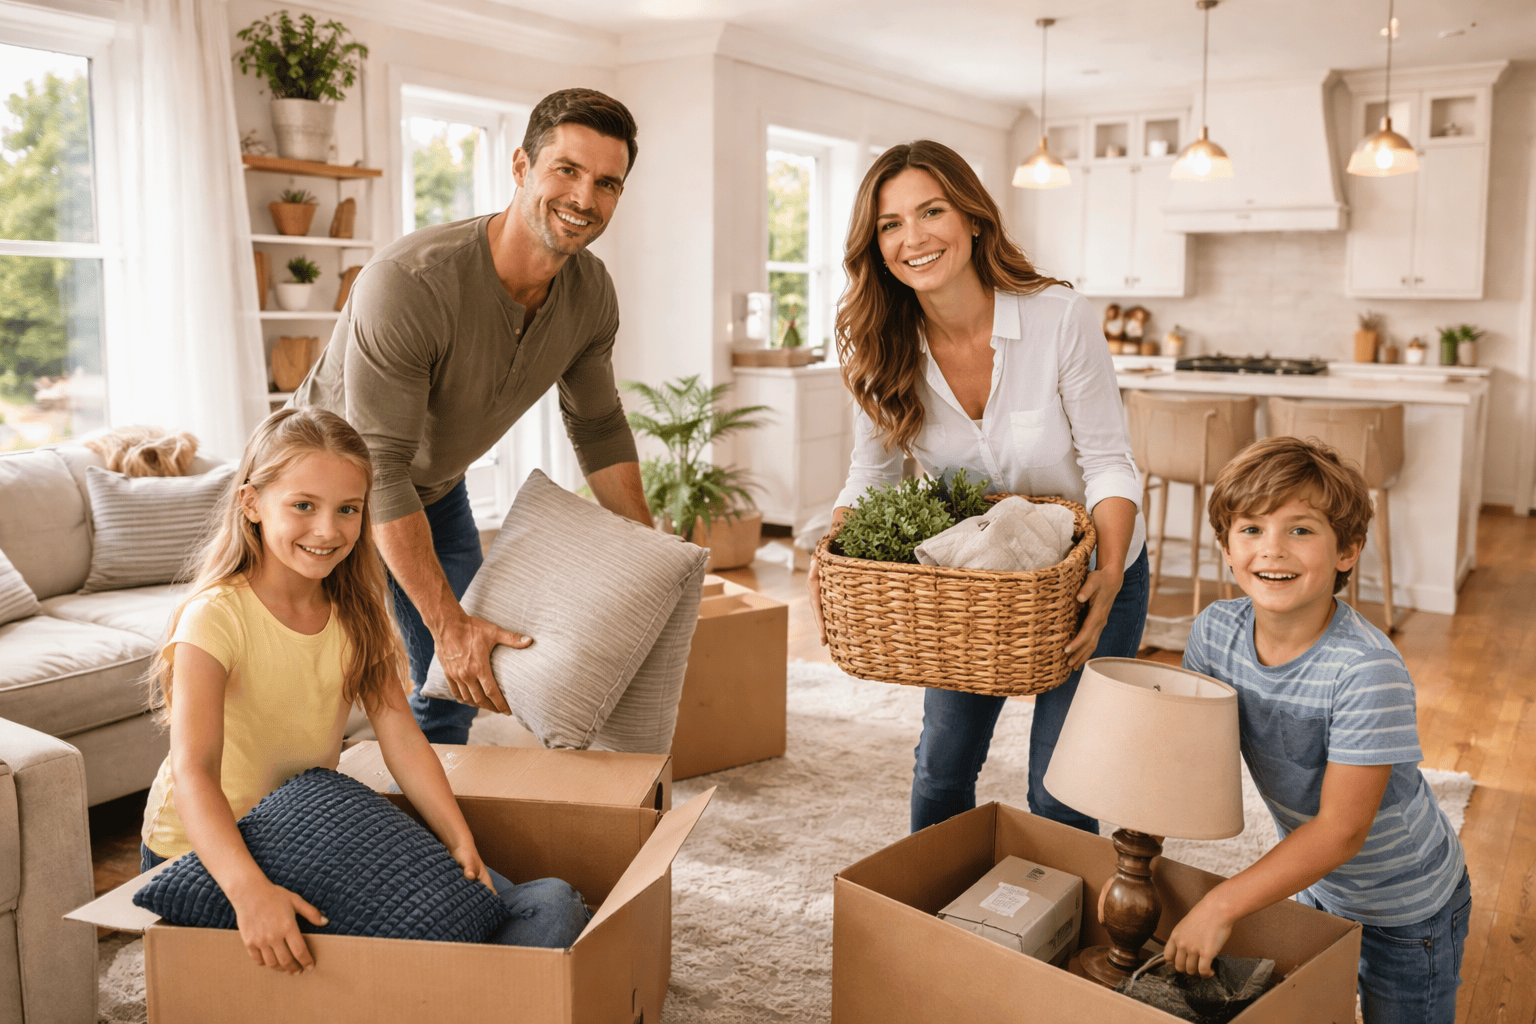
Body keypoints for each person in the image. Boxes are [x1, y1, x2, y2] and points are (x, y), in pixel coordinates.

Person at [139, 408, 589, 974]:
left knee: (551, 904)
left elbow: (401, 736)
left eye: (348, 509)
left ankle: (463, 993)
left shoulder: (355, 613)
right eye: (303, 505)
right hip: (208, 852)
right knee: (483, 929)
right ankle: (470, 991)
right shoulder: (215, 618)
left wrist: (458, 837)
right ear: (251, 504)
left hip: (310, 826)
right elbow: (194, 772)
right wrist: (249, 892)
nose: (328, 530)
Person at [808, 140, 1150, 835]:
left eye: (930, 211)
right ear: (875, 247)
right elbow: (871, 476)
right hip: (972, 583)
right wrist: (834, 564)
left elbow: (1110, 462)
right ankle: (933, 923)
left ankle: (1051, 936)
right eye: (890, 224)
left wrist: (1108, 570)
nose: (914, 238)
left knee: (1061, 785)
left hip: (1092, 573)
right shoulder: (881, 345)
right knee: (942, 765)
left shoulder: (1060, 319)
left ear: (971, 217)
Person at [293, 88, 652, 745]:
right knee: (291, 687)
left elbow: (597, 425)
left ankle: (429, 837)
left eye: (606, 183)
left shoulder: (590, 294)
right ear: (521, 167)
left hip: (428, 486)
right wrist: (447, 621)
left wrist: (651, 556)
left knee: (458, 680)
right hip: (312, 489)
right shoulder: (411, 283)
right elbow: (381, 468)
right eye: (566, 170)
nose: (584, 198)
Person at [1166, 436, 1469, 1024]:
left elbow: (1339, 833)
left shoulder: (1366, 670)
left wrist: (1223, 902)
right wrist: (1139, 856)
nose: (1271, 550)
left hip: (1407, 907)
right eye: (1250, 529)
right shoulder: (1213, 633)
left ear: (1348, 551)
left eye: (1300, 530)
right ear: (1226, 548)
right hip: (1319, 887)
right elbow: (1189, 758)